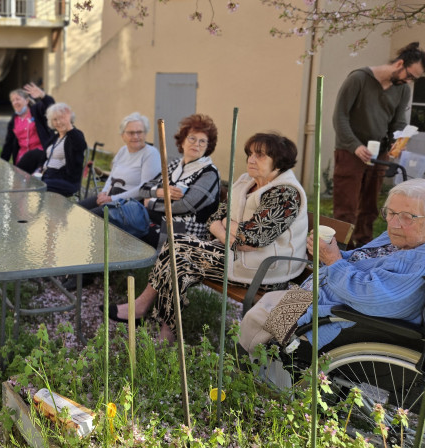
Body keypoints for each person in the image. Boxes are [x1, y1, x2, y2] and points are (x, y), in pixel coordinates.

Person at [110, 132, 308, 343]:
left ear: (279, 162)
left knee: (178, 251)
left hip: (265, 269)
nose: (251, 159)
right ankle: (163, 327)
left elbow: (250, 240)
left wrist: (225, 225)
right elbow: (213, 219)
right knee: (177, 252)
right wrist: (228, 233)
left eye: (259, 155)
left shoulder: (285, 194)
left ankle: (152, 318)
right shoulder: (246, 181)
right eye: (250, 154)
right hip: (235, 254)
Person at [240, 178, 425, 354]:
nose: (394, 223)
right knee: (266, 303)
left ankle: (248, 372)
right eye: (391, 213)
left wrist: (333, 260)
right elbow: (360, 260)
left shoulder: (421, 261)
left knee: (257, 320)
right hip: (318, 297)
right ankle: (261, 367)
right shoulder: (404, 238)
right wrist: (330, 252)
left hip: (334, 316)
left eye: (407, 217)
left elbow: (372, 297)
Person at [333, 42, 425, 247]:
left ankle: (364, 247)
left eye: (414, 79)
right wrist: (355, 146)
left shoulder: (402, 90)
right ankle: (340, 249)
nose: (409, 81)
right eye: (409, 76)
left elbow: (398, 122)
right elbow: (340, 116)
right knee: (346, 207)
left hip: (380, 153)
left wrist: (398, 140)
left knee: (370, 208)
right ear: (400, 64)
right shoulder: (359, 79)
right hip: (351, 152)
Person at [138, 113, 220, 241]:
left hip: (186, 233)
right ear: (182, 142)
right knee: (126, 217)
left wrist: (151, 202)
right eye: (192, 138)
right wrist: (160, 192)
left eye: (202, 141)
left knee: (130, 222)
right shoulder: (175, 164)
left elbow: (184, 205)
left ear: (208, 147)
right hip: (160, 219)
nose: (196, 144)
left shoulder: (209, 173)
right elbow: (143, 189)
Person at [77, 112, 161, 214]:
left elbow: (144, 189)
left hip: (131, 204)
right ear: (122, 135)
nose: (136, 136)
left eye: (139, 132)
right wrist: (103, 193)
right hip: (111, 195)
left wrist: (112, 199)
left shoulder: (151, 154)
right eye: (131, 133)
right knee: (75, 209)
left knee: (90, 217)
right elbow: (111, 177)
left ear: (146, 134)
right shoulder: (123, 150)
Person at [25, 103, 87, 197]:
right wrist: (39, 170)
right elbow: (45, 159)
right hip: (47, 176)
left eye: (62, 118)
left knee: (38, 187)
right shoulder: (55, 137)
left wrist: (68, 126)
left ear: (69, 118)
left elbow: (80, 145)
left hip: (66, 180)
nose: (58, 122)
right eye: (55, 119)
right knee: (26, 182)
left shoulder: (75, 135)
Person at [0, 82, 55, 173]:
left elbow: (51, 106)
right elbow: (8, 144)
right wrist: (1, 164)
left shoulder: (37, 110)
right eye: (12, 100)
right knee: (19, 178)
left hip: (40, 156)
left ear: (27, 101)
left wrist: (43, 96)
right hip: (22, 160)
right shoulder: (14, 120)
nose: (15, 102)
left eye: (17, 99)